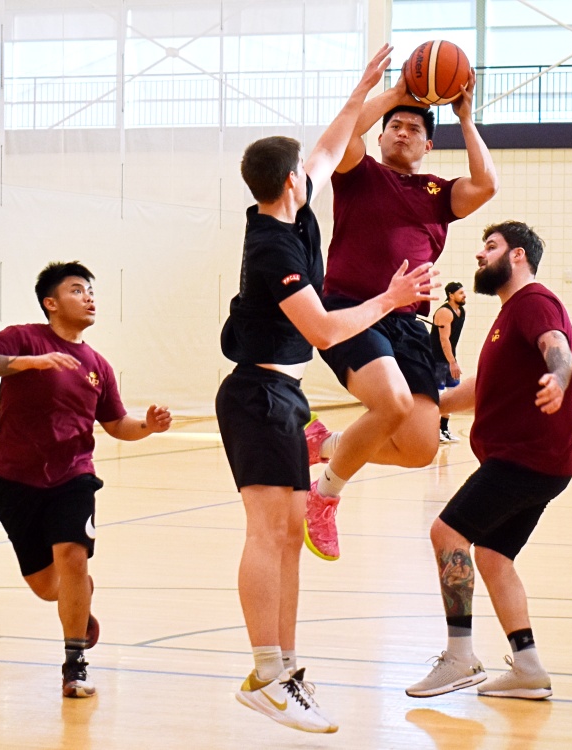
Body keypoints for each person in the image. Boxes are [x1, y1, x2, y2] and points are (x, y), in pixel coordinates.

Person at [216, 44, 439, 734]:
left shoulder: (294, 204)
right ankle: (264, 670)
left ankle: (282, 669)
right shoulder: (273, 250)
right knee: (267, 531)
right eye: (302, 170)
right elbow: (320, 327)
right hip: (254, 393)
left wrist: (371, 88)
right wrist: (390, 297)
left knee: (289, 533)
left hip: (285, 397)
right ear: (289, 183)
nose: (313, 168)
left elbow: (333, 138)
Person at [303, 69, 499, 562]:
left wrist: (466, 118)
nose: (403, 131)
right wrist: (394, 93)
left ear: (429, 144)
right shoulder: (359, 172)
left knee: (419, 448)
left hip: (408, 324)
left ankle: (326, 444)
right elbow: (344, 135)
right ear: (383, 134)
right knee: (390, 404)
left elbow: (487, 184)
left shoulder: (439, 192)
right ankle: (323, 498)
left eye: (414, 127)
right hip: (354, 311)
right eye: (395, 125)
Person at [0, 261, 171, 699]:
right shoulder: (23, 337)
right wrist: (26, 363)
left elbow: (116, 424)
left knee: (73, 555)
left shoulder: (97, 365)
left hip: (73, 475)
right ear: (50, 303)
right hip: (12, 477)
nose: (89, 297)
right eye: (77, 290)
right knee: (46, 587)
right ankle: (79, 602)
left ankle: (75, 665)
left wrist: (146, 426)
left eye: (91, 290)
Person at [405, 221, 572, 702]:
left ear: (517, 255)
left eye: (491, 246)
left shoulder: (534, 303)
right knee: (493, 555)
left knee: (447, 532)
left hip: (523, 459)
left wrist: (559, 379)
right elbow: (475, 392)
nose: (480, 255)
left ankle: (460, 656)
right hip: (542, 464)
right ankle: (528, 667)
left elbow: (558, 350)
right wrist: (412, 403)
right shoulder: (508, 315)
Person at [431, 281, 467, 443]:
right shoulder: (445, 312)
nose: (464, 295)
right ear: (451, 295)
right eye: (460, 293)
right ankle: (433, 430)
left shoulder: (461, 312)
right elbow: (444, 340)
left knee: (452, 396)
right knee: (437, 396)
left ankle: (444, 429)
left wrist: (453, 360)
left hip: (449, 359)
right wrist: (452, 362)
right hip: (437, 360)